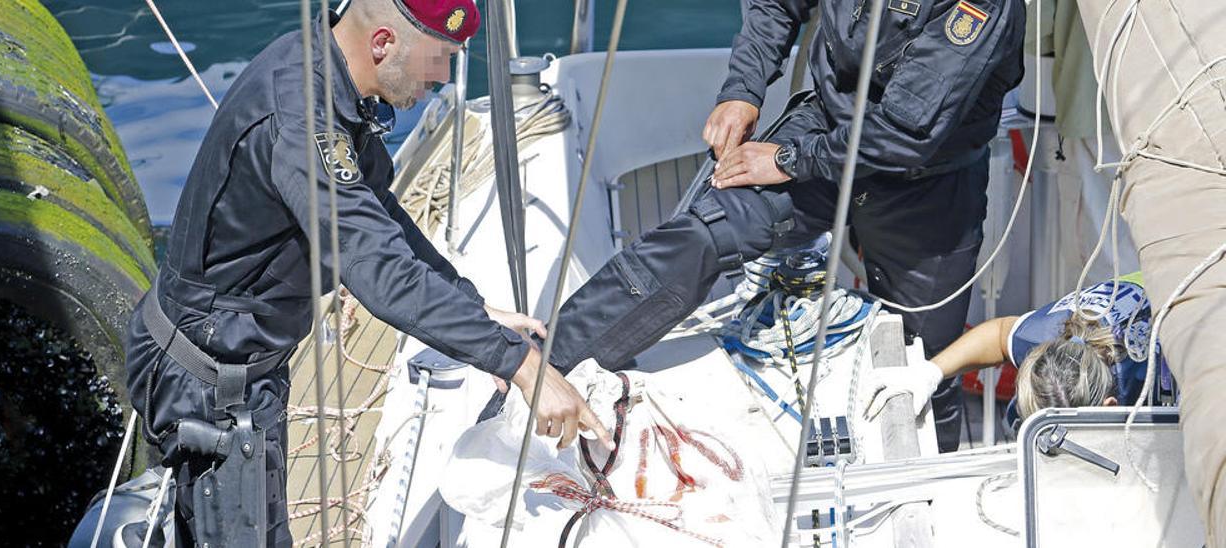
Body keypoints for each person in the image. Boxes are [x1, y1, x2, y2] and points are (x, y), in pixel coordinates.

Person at [122, 1, 606, 545]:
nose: (444, 79)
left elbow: (381, 217)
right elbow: (376, 267)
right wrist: (522, 366)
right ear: (383, 44)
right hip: (210, 386)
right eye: (439, 59)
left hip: (244, 365)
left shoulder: (327, 74)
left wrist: (473, 309)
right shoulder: (302, 121)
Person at [546, 0, 1026, 452]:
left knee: (926, 363)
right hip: (824, 129)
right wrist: (742, 88)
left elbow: (906, 132)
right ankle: (543, 370)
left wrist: (790, 159)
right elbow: (777, 5)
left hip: (925, 185)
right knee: (700, 233)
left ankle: (930, 488)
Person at [862, 273, 1166, 429]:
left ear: (1111, 407)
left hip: (1178, 301)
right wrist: (931, 372)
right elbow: (997, 335)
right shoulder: (1044, 333)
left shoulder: (1151, 377)